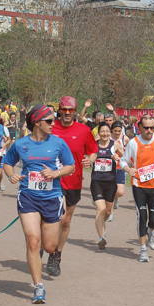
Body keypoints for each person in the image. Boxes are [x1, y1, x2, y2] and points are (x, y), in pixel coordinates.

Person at [3, 104, 75, 304]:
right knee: (33, 240)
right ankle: (39, 287)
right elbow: (7, 163)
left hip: (52, 198)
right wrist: (12, 175)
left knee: (50, 246)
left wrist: (56, 173)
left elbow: (71, 165)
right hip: (28, 196)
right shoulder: (20, 144)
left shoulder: (59, 143)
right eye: (50, 120)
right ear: (37, 122)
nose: (54, 124)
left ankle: (44, 253)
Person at [49, 96, 98, 276]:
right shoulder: (51, 127)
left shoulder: (84, 130)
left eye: (71, 110)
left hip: (74, 181)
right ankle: (48, 247)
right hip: (53, 180)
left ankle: (57, 255)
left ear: (75, 111)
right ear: (60, 111)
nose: (68, 113)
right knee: (59, 217)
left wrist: (89, 160)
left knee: (67, 221)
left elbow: (93, 150)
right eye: (64, 110)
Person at [120, 114, 154, 262]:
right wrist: (128, 170)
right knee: (142, 216)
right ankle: (143, 249)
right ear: (140, 127)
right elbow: (123, 161)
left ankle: (152, 232)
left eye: (152, 127)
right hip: (139, 185)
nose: (149, 131)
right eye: (146, 128)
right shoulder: (133, 143)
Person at [89, 123, 123, 249]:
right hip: (97, 181)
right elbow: (91, 157)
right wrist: (90, 160)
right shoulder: (94, 145)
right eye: (102, 131)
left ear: (110, 133)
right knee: (101, 209)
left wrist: (118, 158)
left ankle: (103, 225)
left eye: (107, 131)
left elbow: (126, 158)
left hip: (111, 182)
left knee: (107, 211)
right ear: (99, 133)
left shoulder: (115, 145)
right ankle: (101, 237)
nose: (104, 134)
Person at [108, 120, 130, 222]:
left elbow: (129, 154)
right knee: (111, 190)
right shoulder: (107, 137)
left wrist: (121, 157)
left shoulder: (125, 139)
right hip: (108, 168)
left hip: (120, 167)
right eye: (115, 131)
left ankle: (116, 199)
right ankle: (110, 212)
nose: (117, 133)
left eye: (119, 131)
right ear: (111, 130)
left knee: (120, 192)